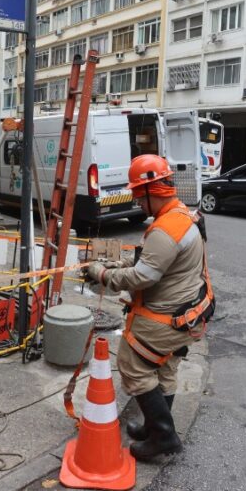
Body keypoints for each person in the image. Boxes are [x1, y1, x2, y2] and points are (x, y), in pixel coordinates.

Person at [83, 155, 215, 462]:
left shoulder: (164, 229)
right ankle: (156, 429)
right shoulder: (181, 216)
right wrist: (117, 264)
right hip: (189, 314)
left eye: (137, 194)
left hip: (167, 317)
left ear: (149, 190)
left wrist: (102, 274)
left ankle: (164, 436)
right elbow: (152, 262)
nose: (136, 202)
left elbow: (143, 277)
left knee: (133, 364)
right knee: (164, 367)